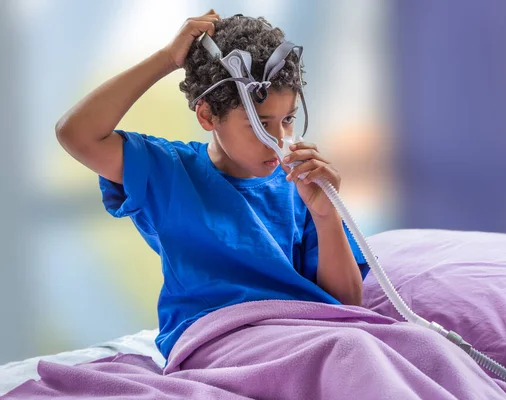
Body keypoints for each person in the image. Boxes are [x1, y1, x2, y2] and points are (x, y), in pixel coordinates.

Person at [55, 10, 369, 361]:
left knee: (391, 348)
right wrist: (166, 59)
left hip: (308, 337)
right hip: (218, 344)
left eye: (288, 119)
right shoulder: (169, 172)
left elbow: (347, 306)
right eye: (259, 123)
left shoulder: (303, 186)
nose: (278, 139)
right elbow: (77, 134)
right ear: (206, 116)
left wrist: (326, 216)